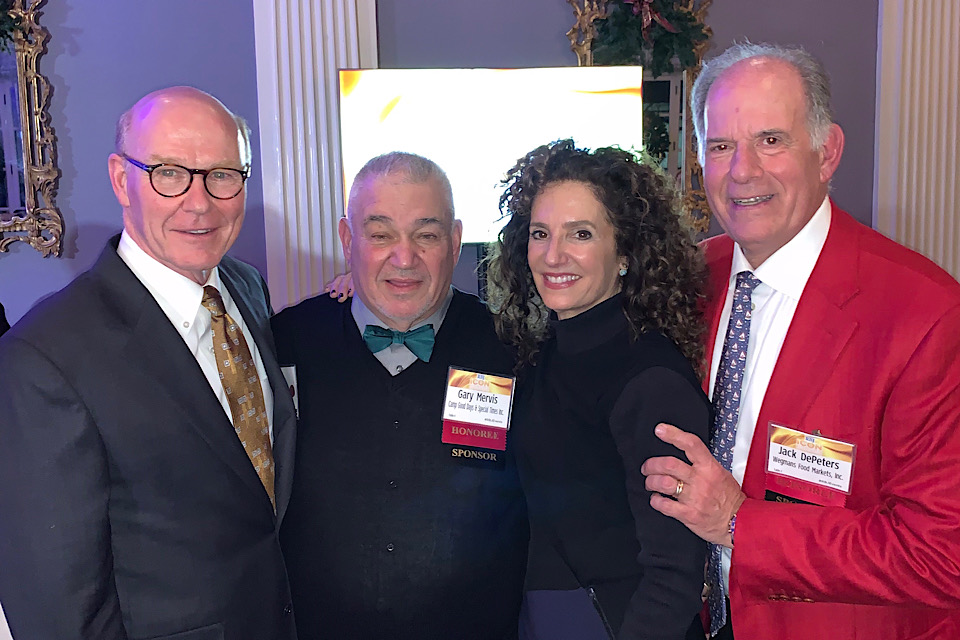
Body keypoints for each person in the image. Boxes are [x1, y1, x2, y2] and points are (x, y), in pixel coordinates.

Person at [641, 42, 960, 639]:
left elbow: (941, 555)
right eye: (721, 146)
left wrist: (740, 525)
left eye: (771, 140)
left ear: (828, 151)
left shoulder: (926, 314)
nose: (743, 171)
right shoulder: (684, 282)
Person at [0, 87, 298, 640]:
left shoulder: (246, 288)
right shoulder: (44, 359)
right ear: (121, 179)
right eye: (168, 173)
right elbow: (58, 610)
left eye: (223, 174)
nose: (200, 201)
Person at [272, 151, 528, 639]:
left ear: (454, 243)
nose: (404, 257)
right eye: (381, 234)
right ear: (349, 241)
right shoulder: (284, 343)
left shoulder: (512, 349)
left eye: (426, 236)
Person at [487, 139, 710, 640]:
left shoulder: (651, 380)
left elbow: (674, 576)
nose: (553, 254)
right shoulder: (541, 353)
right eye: (540, 233)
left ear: (626, 252)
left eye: (580, 234)